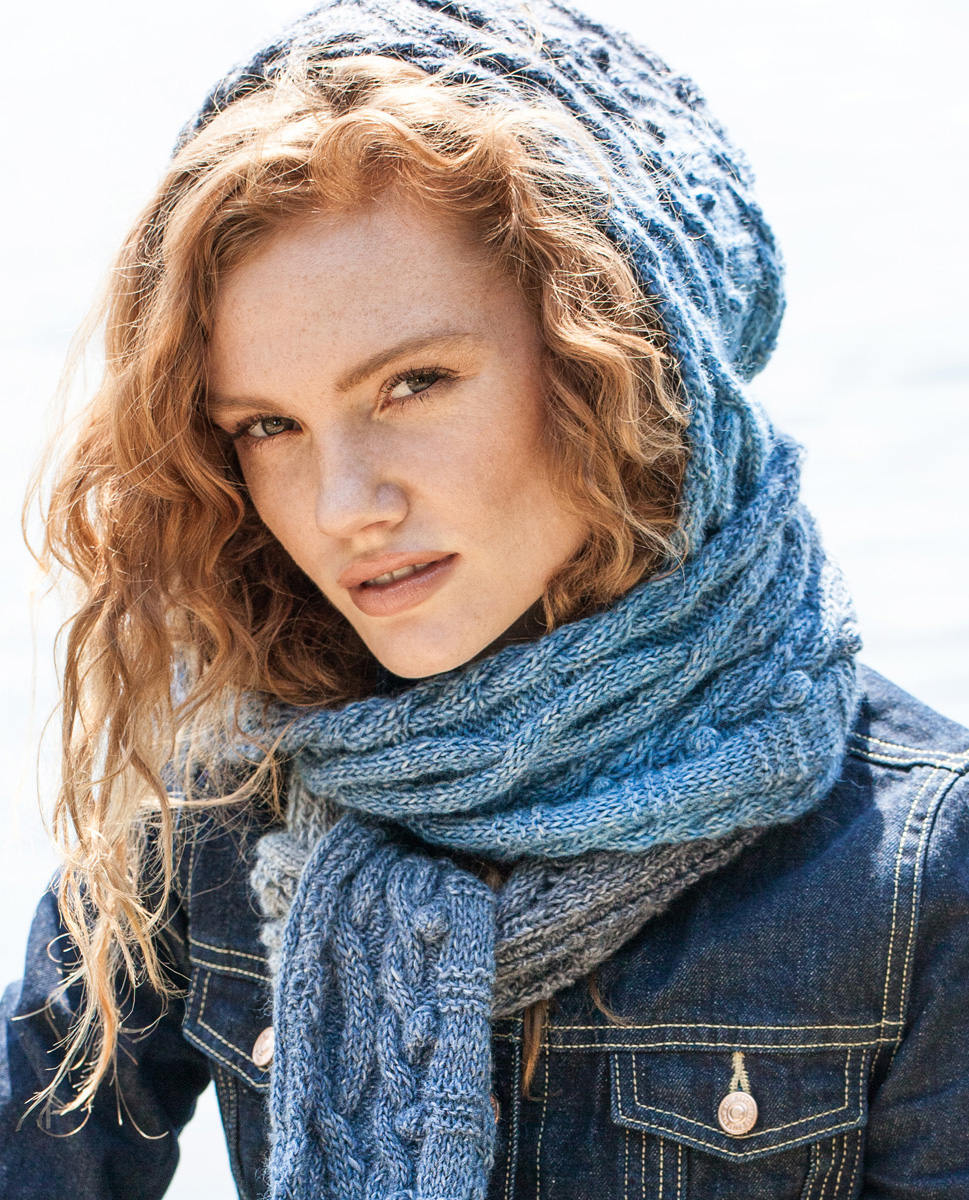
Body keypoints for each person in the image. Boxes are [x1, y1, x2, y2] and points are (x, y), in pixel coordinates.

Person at [1, 0, 967, 1197]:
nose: (344, 505)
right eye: (268, 426)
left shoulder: (921, 871)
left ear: (619, 363)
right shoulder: (217, 796)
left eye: (414, 383)